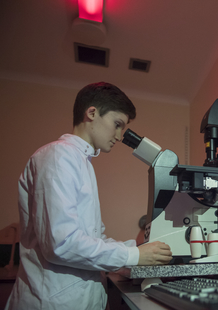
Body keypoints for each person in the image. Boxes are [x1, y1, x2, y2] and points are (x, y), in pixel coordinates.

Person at [5, 82, 172, 310]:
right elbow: (61, 243)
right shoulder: (58, 156)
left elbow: (94, 239)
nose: (120, 135)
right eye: (117, 124)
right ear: (92, 113)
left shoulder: (81, 162)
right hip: (53, 303)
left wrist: (140, 249)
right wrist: (133, 255)